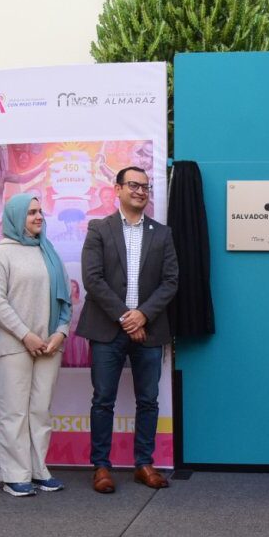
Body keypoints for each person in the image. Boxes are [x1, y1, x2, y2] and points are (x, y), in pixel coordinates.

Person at [77, 166, 178, 493]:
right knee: (102, 400)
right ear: (117, 189)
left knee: (148, 400)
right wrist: (125, 317)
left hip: (149, 328)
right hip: (107, 328)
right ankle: (101, 466)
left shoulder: (162, 233)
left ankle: (143, 464)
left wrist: (142, 315)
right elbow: (92, 279)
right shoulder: (99, 229)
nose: (140, 191)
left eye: (145, 187)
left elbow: (170, 281)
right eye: (133, 185)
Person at [0, 194, 71, 497]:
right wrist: (26, 335)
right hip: (14, 345)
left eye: (40, 211)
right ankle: (14, 475)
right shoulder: (0, 255)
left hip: (49, 345)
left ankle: (38, 470)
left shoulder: (48, 252)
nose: (39, 217)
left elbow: (66, 299)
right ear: (15, 216)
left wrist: (60, 333)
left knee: (40, 411)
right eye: (31, 212)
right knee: (14, 411)